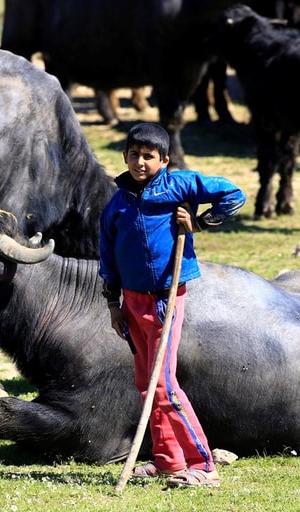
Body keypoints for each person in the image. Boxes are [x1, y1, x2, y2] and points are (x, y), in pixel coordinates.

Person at [98, 122, 246, 488]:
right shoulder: (117, 205)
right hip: (132, 304)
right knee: (146, 384)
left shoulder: (179, 186)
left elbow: (234, 194)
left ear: (164, 159)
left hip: (166, 299)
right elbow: (108, 258)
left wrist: (199, 221)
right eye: (134, 155)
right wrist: (113, 305)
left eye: (149, 156)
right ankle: (169, 461)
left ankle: (203, 463)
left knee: (163, 384)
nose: (140, 162)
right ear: (125, 157)